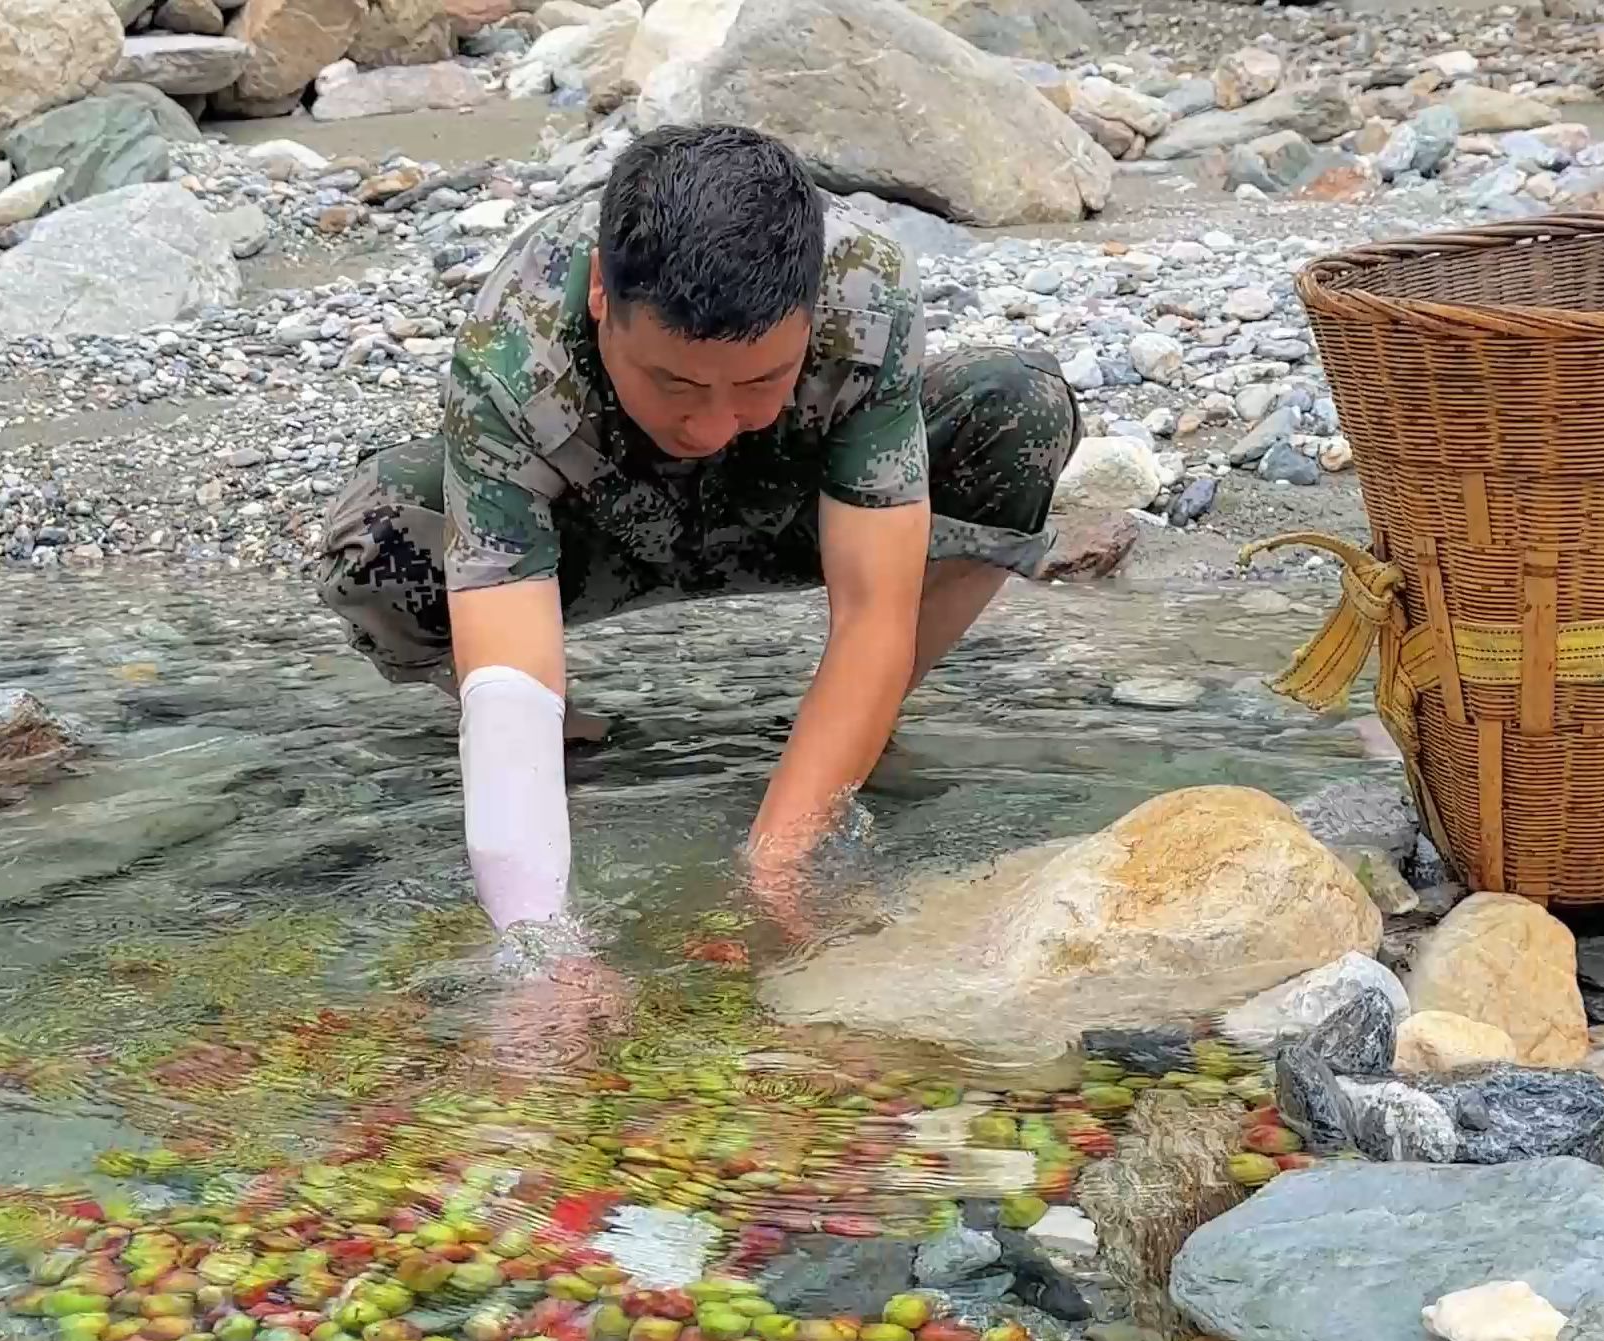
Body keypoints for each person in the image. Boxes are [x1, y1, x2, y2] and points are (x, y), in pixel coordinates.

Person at [315, 123, 1086, 948]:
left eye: (760, 381)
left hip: (791, 509)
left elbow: (873, 613)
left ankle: (858, 725)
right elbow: (508, 659)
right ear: (604, 297)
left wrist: (780, 874)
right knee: (375, 533)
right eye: (673, 381)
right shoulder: (517, 343)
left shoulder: (865, 291)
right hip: (597, 527)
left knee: (1021, 408)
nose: (715, 423)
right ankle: (568, 739)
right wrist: (542, 957)